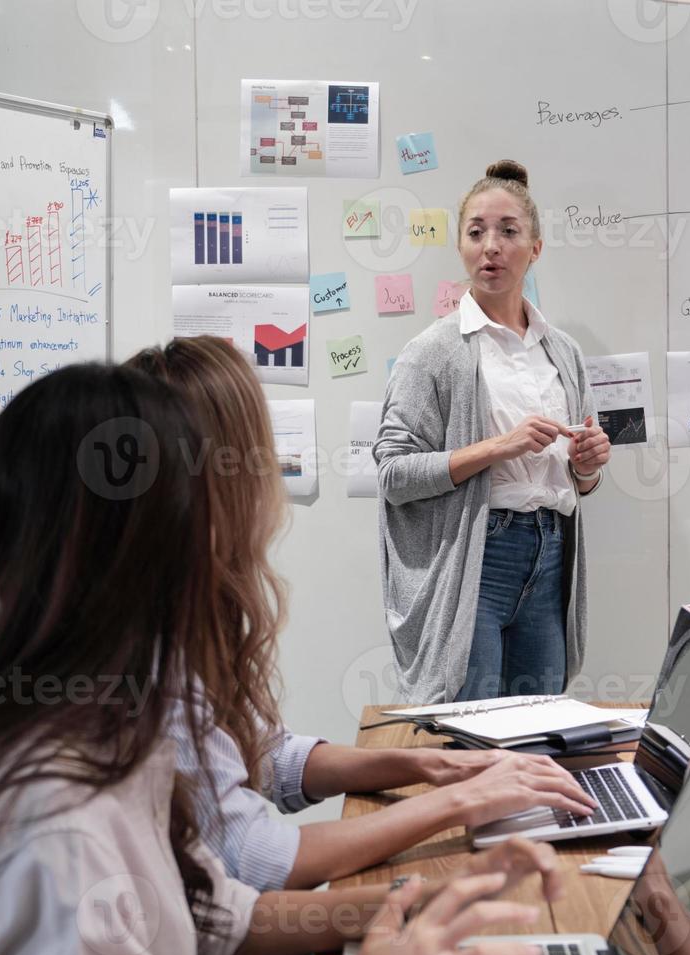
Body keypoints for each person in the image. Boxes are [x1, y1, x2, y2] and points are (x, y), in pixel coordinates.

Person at [0, 362, 566, 955]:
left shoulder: (105, 722)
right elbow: (246, 875)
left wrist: (412, 902)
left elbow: (212, 917)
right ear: (166, 540)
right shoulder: (57, 830)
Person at [127, 336, 596, 893]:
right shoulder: (147, 653)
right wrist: (453, 805)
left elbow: (267, 755)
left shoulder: (184, 605)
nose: (267, 471)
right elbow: (254, 861)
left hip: (548, 553)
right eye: (254, 451)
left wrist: (432, 767)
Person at [377, 159, 613, 704]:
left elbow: (579, 484)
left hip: (552, 554)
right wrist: (496, 447)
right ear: (460, 247)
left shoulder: (563, 352)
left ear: (535, 248)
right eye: (476, 232)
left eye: (509, 232)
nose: (492, 246)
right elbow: (392, 473)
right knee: (474, 734)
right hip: (478, 559)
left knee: (539, 729)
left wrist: (587, 466)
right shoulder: (433, 352)